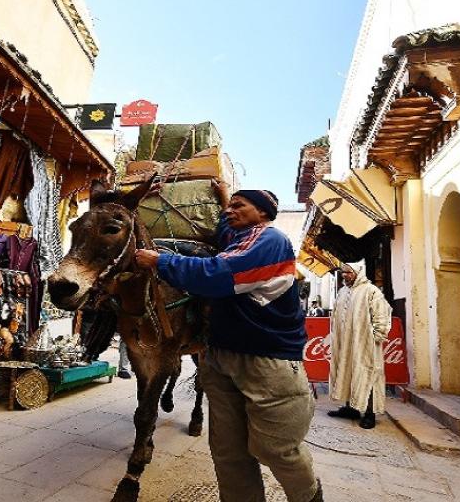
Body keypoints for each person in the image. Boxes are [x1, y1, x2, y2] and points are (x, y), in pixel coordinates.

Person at [135, 185, 322, 502]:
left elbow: (217, 274)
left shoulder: (269, 240)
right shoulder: (237, 239)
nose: (229, 211)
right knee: (228, 453)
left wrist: (160, 262)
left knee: (277, 450)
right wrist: (220, 198)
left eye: (240, 205)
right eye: (228, 207)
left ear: (263, 212)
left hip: (265, 361)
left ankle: (310, 498)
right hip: (220, 358)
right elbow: (224, 230)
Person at [328, 261, 392, 429]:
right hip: (345, 343)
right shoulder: (342, 292)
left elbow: (382, 315)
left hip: (364, 344)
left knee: (366, 374)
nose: (345, 275)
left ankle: (369, 413)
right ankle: (351, 408)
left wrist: (376, 337)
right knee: (348, 373)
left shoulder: (371, 291)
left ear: (357, 272)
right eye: (343, 273)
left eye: (348, 272)